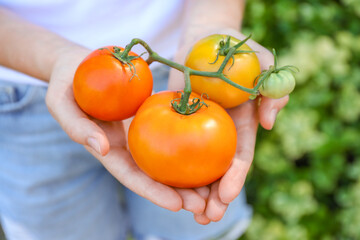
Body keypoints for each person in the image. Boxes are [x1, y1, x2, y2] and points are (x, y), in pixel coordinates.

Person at [0, 0, 289, 239]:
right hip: (25, 93)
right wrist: (55, 59)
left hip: (187, 63)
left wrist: (212, 23)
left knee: (189, 231)